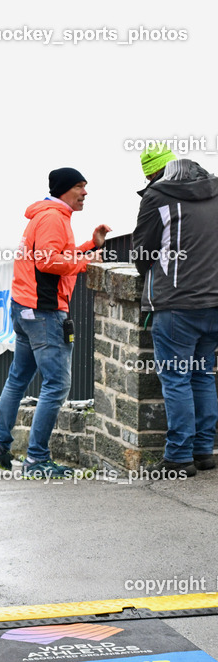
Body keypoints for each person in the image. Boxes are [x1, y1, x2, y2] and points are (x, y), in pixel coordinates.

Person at [0, 168, 110, 479]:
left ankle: (0, 448)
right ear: (66, 189)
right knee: (57, 385)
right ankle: (36, 459)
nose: (85, 193)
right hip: (44, 313)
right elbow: (48, 262)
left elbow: (54, 254)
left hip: (24, 309)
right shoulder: (55, 217)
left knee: (17, 379)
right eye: (80, 187)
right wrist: (85, 263)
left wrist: (88, 247)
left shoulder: (45, 214)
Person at [132, 146, 218, 476]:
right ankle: (203, 451)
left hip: (176, 305)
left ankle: (179, 457)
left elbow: (143, 254)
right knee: (202, 375)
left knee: (177, 379)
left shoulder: (157, 195)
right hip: (214, 303)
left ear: (155, 173)